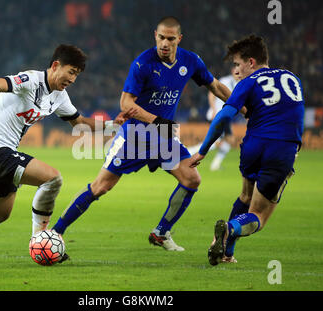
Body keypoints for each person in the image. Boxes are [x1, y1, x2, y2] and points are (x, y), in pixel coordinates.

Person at [50, 16, 232, 252]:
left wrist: (245, 107)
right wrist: (156, 120)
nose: (164, 43)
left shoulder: (191, 61)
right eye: (161, 38)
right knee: (100, 187)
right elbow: (125, 103)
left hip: (163, 138)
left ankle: (161, 233)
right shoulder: (142, 64)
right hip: (135, 136)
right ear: (155, 36)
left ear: (179, 39)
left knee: (191, 179)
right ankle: (55, 232)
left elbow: (216, 86)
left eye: (170, 39)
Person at [0, 44, 132, 262]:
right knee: (52, 179)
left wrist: (113, 124)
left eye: (77, 75)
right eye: (71, 72)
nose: (73, 79)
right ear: (55, 65)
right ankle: (39, 242)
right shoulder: (30, 80)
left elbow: (79, 123)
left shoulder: (59, 96)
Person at [189, 35, 304, 264]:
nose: (235, 71)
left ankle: (225, 251)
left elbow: (223, 116)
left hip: (252, 146)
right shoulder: (293, 79)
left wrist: (203, 150)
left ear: (251, 62)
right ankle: (230, 229)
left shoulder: (248, 83)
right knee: (258, 215)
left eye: (237, 64)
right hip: (281, 149)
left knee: (245, 196)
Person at [187, 67, 240, 171]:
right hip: (218, 114)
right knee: (217, 142)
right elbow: (212, 93)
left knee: (229, 140)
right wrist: (213, 109)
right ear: (232, 71)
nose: (237, 73)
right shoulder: (225, 80)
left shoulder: (240, 83)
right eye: (235, 71)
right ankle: (189, 152)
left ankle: (215, 165)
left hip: (225, 115)